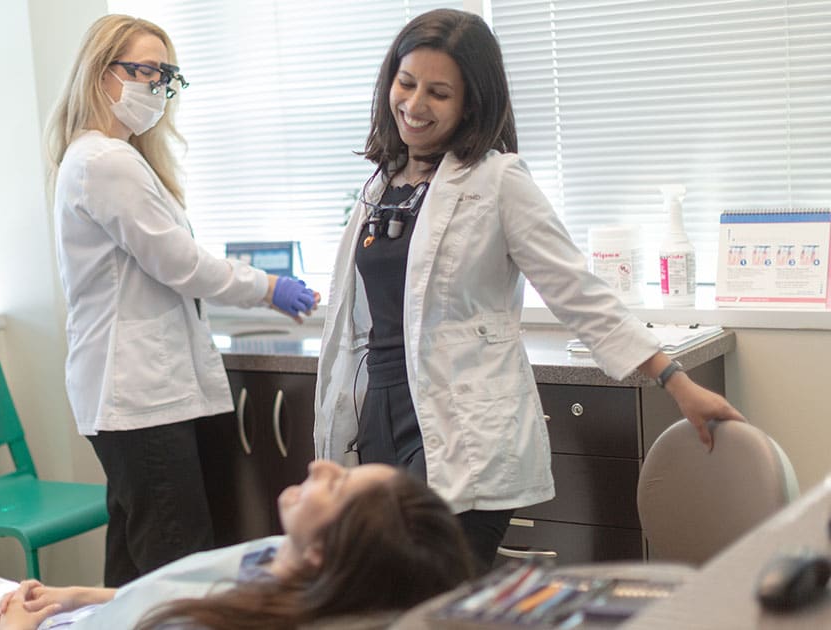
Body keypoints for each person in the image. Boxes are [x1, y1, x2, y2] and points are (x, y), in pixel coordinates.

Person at [314, 8, 746, 573]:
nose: (415, 105)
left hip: (458, 423)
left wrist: (676, 381)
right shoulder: (382, 183)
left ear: (472, 102)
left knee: (437, 596)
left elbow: (578, 291)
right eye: (406, 82)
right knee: (392, 596)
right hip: (381, 415)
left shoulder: (498, 181)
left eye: (439, 92)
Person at [43, 14, 318, 588]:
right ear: (100, 73)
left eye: (165, 75)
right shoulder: (105, 161)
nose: (155, 87)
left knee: (132, 571)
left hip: (128, 396)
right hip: (138, 396)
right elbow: (181, 263)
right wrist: (269, 287)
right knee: (179, 573)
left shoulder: (105, 157)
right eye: (142, 70)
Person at [0, 461, 476, 630]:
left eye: (338, 484)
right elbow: (181, 588)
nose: (322, 465)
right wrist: (80, 595)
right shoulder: (278, 559)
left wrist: (14, 625)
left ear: (321, 556)